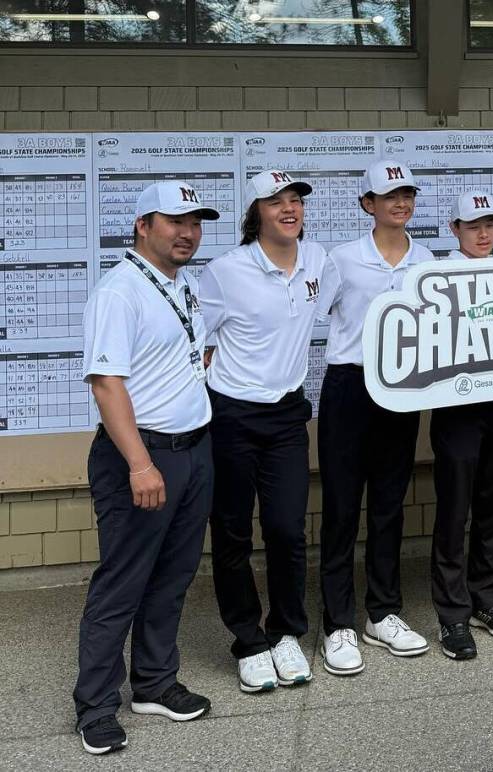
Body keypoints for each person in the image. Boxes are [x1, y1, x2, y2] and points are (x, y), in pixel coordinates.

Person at [74, 181, 220, 755]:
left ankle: (155, 683)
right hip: (142, 455)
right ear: (143, 225)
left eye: (196, 223)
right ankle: (95, 708)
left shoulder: (182, 286)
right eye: (175, 221)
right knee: (123, 583)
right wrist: (139, 464)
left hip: (193, 450)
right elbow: (107, 384)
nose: (188, 233)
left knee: (173, 577)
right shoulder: (120, 290)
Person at [200, 170, 324, 693]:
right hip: (232, 416)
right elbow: (197, 340)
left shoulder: (318, 260)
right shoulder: (225, 271)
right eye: (275, 202)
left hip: (287, 416)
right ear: (255, 215)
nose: (289, 209)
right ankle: (248, 640)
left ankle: (285, 632)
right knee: (232, 532)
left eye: (295, 200)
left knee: (287, 530)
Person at [316, 160, 434, 674]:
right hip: (349, 386)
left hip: (400, 388)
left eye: (407, 194)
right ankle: (337, 622)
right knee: (342, 507)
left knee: (389, 505)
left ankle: (382, 613)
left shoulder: (425, 259)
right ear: (368, 204)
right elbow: (312, 315)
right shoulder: (341, 258)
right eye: (389, 195)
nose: (400, 202)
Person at [429, 190, 493, 660]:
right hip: (456, 407)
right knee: (454, 510)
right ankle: (452, 614)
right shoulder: (436, 275)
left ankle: (487, 599)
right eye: (473, 226)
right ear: (455, 230)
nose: (484, 234)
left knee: (491, 505)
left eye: (490, 225)